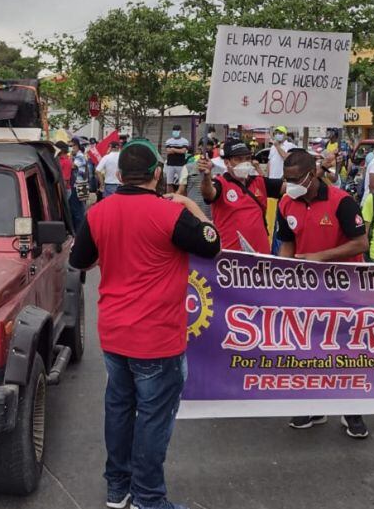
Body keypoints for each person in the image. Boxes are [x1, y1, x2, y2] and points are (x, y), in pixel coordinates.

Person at [69, 139, 221, 509]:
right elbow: (211, 244)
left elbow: (80, 261)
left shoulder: (99, 212)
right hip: (157, 338)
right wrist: (188, 204)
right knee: (153, 418)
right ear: (156, 173)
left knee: (119, 410)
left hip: (115, 333)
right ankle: (149, 498)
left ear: (119, 175)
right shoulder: (169, 214)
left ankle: (117, 489)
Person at [276, 149, 370, 438]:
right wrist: (281, 267)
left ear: (313, 173)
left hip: (346, 288)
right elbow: (288, 242)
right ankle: (313, 406)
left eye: (295, 179)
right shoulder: (286, 203)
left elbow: (360, 244)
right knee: (309, 347)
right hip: (307, 288)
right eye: (286, 178)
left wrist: (320, 257)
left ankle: (352, 412)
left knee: (346, 349)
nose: (290, 184)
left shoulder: (342, 202)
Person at [198, 139, 282, 253]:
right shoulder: (221, 183)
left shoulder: (259, 181)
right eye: (238, 159)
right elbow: (209, 193)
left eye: (247, 158)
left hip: (261, 256)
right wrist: (206, 176)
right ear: (227, 162)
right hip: (231, 258)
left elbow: (287, 187)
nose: (244, 162)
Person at [163, 125, 189, 192]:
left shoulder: (184, 141)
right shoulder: (169, 141)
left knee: (182, 183)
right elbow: (168, 151)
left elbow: (183, 151)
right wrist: (178, 150)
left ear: (180, 131)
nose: (175, 132)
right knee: (169, 183)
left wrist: (173, 149)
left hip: (180, 165)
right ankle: (170, 197)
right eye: (174, 130)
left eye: (177, 130)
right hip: (170, 165)